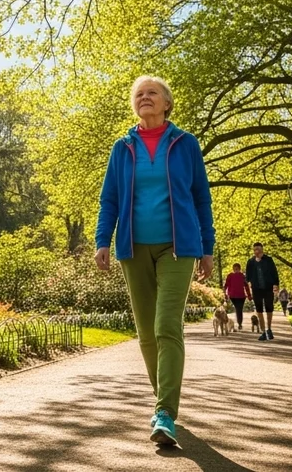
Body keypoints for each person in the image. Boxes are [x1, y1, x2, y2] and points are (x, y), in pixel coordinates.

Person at [95, 75, 215, 447]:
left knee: (166, 326)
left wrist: (207, 247)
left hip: (178, 247)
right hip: (133, 248)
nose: (144, 97)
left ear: (167, 103)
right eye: (139, 94)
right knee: (146, 332)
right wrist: (102, 240)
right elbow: (110, 198)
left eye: (152, 93)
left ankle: (164, 412)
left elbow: (201, 197)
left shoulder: (185, 143)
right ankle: (162, 400)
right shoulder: (122, 147)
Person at [245, 242, 279, 341]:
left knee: (269, 308)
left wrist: (276, 284)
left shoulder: (268, 260)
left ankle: (269, 329)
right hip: (256, 289)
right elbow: (248, 276)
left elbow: (274, 272)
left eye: (258, 249)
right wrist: (249, 284)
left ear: (262, 250)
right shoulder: (250, 262)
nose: (257, 251)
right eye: (255, 250)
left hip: (268, 288)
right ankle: (263, 331)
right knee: (259, 310)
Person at [223, 263, 247, 329]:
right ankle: (239, 323)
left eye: (237, 269)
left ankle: (240, 323)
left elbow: (246, 286)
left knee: (239, 309)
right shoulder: (230, 276)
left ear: (239, 269)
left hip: (241, 296)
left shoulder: (242, 276)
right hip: (233, 296)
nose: (236, 270)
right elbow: (226, 285)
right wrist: (225, 294)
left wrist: (249, 295)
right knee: (238, 308)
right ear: (233, 269)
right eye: (235, 269)